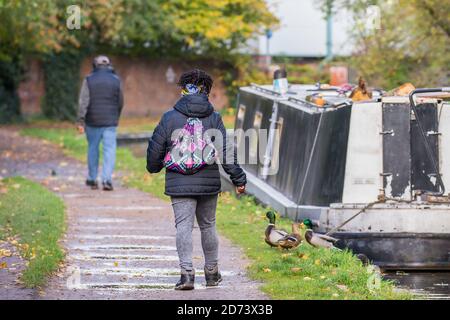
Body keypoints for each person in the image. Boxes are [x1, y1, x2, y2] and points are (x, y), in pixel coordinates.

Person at [146, 69, 246, 290]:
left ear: (183, 89)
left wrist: (153, 167)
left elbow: (155, 149)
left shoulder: (169, 117)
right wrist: (238, 179)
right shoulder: (214, 117)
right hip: (208, 181)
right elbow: (226, 152)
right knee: (208, 226)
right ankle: (212, 273)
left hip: (178, 181)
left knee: (183, 227)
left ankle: (187, 275)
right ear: (206, 90)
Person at [76, 55, 124, 191]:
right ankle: (107, 180)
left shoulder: (89, 79)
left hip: (92, 121)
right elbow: (120, 101)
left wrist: (80, 120)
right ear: (109, 65)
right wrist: (116, 116)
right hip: (110, 122)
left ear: (94, 65)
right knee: (109, 150)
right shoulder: (116, 80)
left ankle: (92, 179)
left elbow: (83, 102)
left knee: (93, 149)